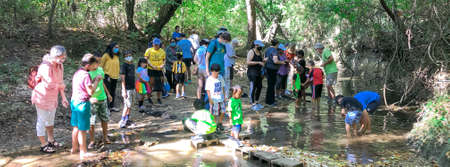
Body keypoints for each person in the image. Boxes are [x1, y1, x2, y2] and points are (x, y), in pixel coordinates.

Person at [31, 45, 68, 153]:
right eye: (61, 57)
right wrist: (60, 86)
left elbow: (60, 82)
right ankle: (43, 144)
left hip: (53, 97)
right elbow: (49, 84)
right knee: (42, 120)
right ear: (54, 56)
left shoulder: (60, 65)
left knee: (50, 119)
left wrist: (64, 98)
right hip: (42, 96)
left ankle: (51, 140)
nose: (63, 59)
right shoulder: (45, 66)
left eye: (64, 57)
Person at [71, 53, 102, 160]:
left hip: (74, 101)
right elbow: (90, 91)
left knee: (75, 127)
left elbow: (83, 86)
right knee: (82, 129)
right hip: (82, 104)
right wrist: (97, 81)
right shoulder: (86, 75)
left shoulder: (77, 73)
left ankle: (74, 148)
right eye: (94, 65)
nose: (96, 67)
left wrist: (93, 81)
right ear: (88, 65)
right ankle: (83, 151)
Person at [88, 54, 113, 149]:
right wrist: (95, 80)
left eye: (98, 63)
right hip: (93, 100)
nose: (97, 65)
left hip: (103, 98)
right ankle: (92, 140)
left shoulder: (100, 70)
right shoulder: (87, 74)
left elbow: (102, 83)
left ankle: (105, 137)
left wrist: (108, 94)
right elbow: (87, 87)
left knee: (105, 119)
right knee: (91, 121)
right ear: (90, 64)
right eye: (95, 63)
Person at [264, 40, 287, 106]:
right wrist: (282, 62)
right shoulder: (274, 51)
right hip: (272, 70)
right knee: (272, 85)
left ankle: (268, 100)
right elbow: (275, 61)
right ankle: (271, 101)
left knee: (269, 85)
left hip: (268, 68)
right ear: (276, 44)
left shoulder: (267, 49)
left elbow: (265, 58)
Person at [144, 38, 166, 104]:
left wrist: (162, 65)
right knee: (151, 83)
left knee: (159, 84)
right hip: (151, 69)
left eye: (157, 45)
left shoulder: (162, 51)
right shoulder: (149, 50)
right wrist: (151, 65)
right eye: (155, 45)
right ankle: (148, 97)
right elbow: (146, 59)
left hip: (159, 69)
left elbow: (164, 59)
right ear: (153, 44)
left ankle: (159, 98)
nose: (156, 46)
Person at [205, 64, 226, 131]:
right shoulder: (209, 79)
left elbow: (223, 87)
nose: (216, 75)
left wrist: (224, 96)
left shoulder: (220, 77)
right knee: (214, 113)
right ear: (211, 72)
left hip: (221, 98)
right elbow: (207, 90)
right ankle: (214, 125)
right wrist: (210, 98)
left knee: (223, 111)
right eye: (214, 73)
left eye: (217, 73)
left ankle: (219, 122)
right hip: (214, 99)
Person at [101, 42, 121, 112]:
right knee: (107, 92)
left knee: (113, 92)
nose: (117, 49)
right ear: (111, 48)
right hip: (107, 76)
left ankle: (112, 106)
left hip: (115, 77)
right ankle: (107, 108)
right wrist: (103, 76)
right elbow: (101, 66)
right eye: (115, 47)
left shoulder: (117, 56)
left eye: (118, 47)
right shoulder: (106, 55)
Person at [119, 51, 136, 128]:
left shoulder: (132, 65)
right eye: (127, 56)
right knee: (126, 105)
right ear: (124, 57)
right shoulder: (124, 66)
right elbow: (123, 78)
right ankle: (122, 120)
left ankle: (127, 119)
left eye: (130, 55)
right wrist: (124, 90)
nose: (129, 57)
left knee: (130, 105)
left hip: (133, 88)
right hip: (127, 89)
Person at [247, 40, 265, 111]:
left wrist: (264, 61)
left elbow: (262, 61)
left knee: (259, 87)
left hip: (259, 72)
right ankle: (252, 103)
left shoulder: (260, 52)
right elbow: (248, 62)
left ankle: (257, 101)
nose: (261, 47)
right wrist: (258, 62)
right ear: (256, 45)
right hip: (252, 72)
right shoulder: (251, 52)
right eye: (260, 46)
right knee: (253, 86)